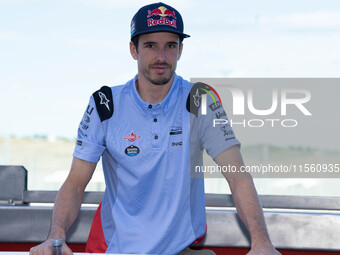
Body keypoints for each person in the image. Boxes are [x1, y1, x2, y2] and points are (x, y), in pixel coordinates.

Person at [30, 2, 281, 255]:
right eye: (151, 45)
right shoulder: (105, 104)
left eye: (170, 46)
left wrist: (262, 243)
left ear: (180, 50)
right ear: (133, 49)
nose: (161, 57)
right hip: (118, 250)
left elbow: (237, 176)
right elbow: (74, 183)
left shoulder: (200, 99)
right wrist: (56, 237)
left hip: (180, 250)